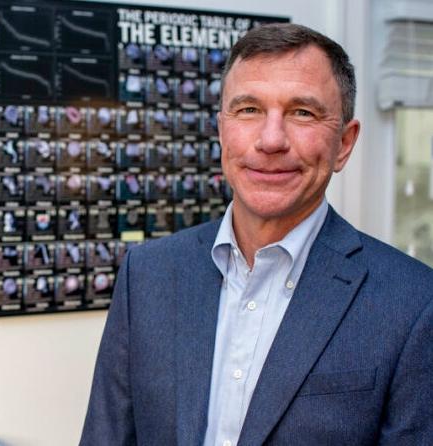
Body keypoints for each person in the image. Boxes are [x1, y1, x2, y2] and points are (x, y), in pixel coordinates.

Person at [79, 23, 433, 446]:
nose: (271, 140)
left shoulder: (413, 303)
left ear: (344, 143)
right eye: (248, 110)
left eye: (303, 112)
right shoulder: (148, 274)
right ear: (222, 130)